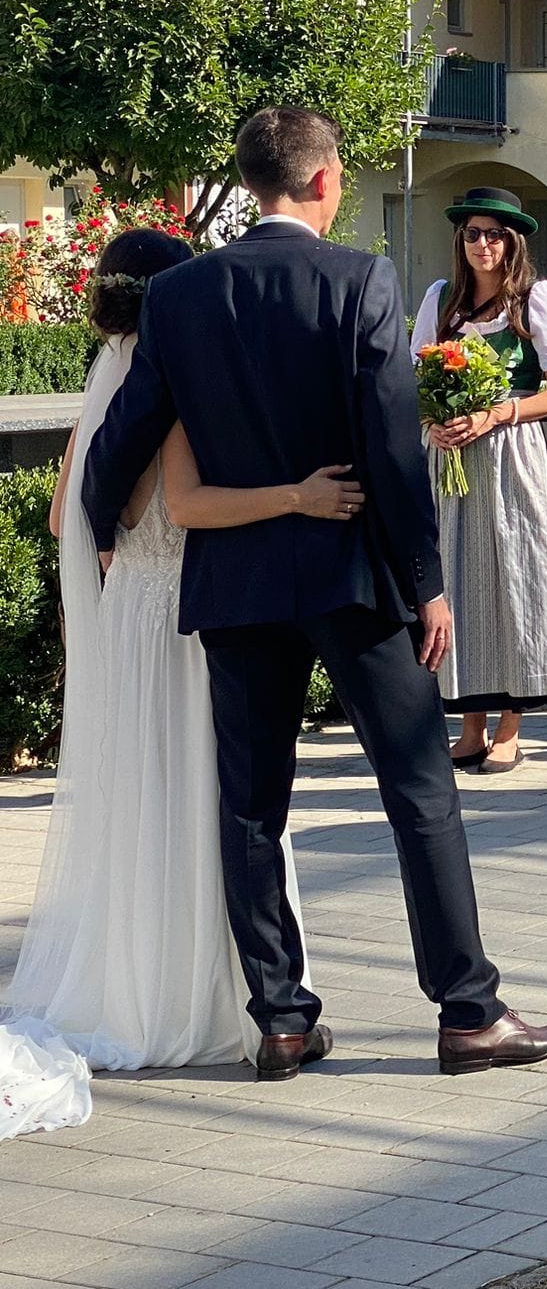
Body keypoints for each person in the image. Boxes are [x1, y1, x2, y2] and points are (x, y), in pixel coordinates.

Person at [82, 107, 547, 1079]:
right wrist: (426, 585)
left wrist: (103, 532)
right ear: (322, 181)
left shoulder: (181, 296)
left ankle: (283, 1018)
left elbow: (126, 433)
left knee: (251, 808)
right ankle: (467, 1013)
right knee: (419, 788)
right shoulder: (361, 279)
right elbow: (392, 444)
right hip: (351, 576)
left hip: (237, 585)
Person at [1, 229, 354, 1094]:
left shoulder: (107, 371)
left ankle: (134, 983)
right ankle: (224, 1000)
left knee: (142, 805)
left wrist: (127, 540)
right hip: (184, 618)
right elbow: (191, 502)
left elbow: (64, 519)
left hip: (130, 616)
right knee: (218, 803)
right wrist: (297, 496)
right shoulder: (169, 372)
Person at [412, 188, 547, 773]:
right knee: (457, 576)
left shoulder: (534, 299)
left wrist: (497, 413)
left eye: (493, 234)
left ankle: (511, 726)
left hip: (514, 453)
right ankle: (470, 724)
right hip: (454, 456)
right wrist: (433, 419)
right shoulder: (441, 300)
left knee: (515, 575)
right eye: (471, 234)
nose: (481, 244)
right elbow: (414, 380)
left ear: (513, 241)